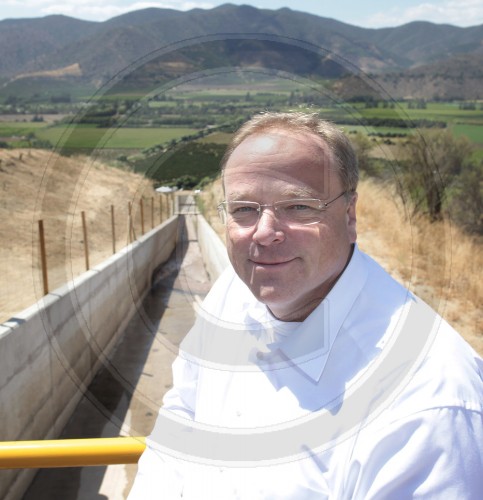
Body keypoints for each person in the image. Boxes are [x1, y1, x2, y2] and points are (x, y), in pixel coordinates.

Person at [129, 112, 483, 499]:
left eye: (298, 207)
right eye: (243, 209)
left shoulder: (426, 403)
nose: (264, 234)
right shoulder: (233, 291)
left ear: (350, 216)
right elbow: (182, 419)